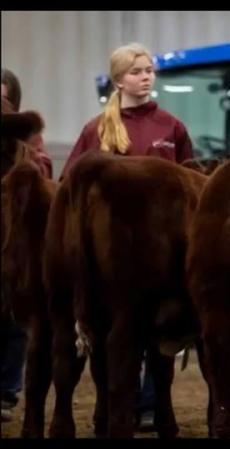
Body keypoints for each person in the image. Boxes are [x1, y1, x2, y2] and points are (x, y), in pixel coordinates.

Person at [62, 43, 194, 431]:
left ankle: (153, 404)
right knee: (116, 331)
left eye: (149, 70)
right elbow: (70, 187)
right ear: (119, 80)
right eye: (137, 71)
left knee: (160, 331)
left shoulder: (172, 127)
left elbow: (191, 182)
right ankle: (118, 403)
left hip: (164, 250)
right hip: (112, 253)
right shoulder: (97, 130)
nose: (146, 77)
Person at [1, 67, 53, 424]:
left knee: (15, 313)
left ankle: (6, 390)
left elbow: (44, 168)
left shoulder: (28, 136)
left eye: (4, 97)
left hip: (17, 240)